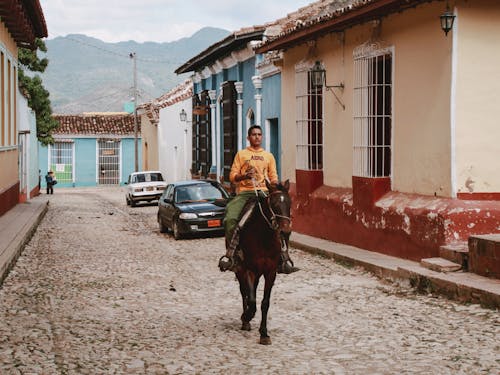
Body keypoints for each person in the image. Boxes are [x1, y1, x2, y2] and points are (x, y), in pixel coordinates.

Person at [218, 125, 298, 274]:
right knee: (230, 219)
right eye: (254, 134)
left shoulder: (268, 156)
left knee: (280, 220)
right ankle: (231, 255)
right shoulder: (241, 155)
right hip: (245, 193)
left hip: (264, 193)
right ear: (248, 137)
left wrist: (275, 187)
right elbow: (232, 176)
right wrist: (245, 176)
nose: (257, 137)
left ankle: (283, 257)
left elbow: (273, 177)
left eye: (259, 134)